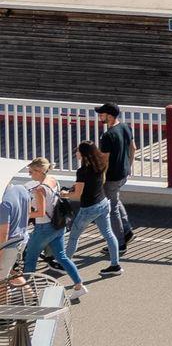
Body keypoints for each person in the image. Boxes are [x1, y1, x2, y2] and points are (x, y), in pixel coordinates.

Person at [13, 160, 84, 301]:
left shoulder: (39, 190)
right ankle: (79, 285)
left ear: (39, 171)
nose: (29, 174)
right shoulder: (53, 180)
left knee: (30, 259)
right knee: (62, 257)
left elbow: (40, 213)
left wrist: (23, 213)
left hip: (44, 228)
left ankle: (28, 294)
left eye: (31, 171)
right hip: (57, 225)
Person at [64, 142, 119, 276]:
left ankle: (64, 263)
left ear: (83, 154)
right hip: (103, 203)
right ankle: (115, 265)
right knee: (109, 234)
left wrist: (65, 194)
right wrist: (76, 187)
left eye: (78, 151)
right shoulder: (100, 165)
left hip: (89, 208)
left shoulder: (82, 171)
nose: (76, 153)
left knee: (74, 236)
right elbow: (94, 183)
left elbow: (77, 195)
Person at [94, 101, 135, 251]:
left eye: (102, 114)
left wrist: (101, 178)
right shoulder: (125, 127)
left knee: (111, 209)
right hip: (123, 173)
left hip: (111, 177)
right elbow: (133, 148)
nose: (100, 116)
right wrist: (128, 166)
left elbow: (104, 160)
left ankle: (119, 243)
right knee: (115, 201)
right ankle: (127, 231)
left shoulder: (107, 135)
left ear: (110, 116)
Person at [0, 171, 27, 283]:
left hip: (8, 246)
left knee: (1, 280)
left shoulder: (3, 203)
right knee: (10, 273)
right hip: (22, 239)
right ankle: (31, 293)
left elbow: (3, 234)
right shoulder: (21, 189)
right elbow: (28, 213)